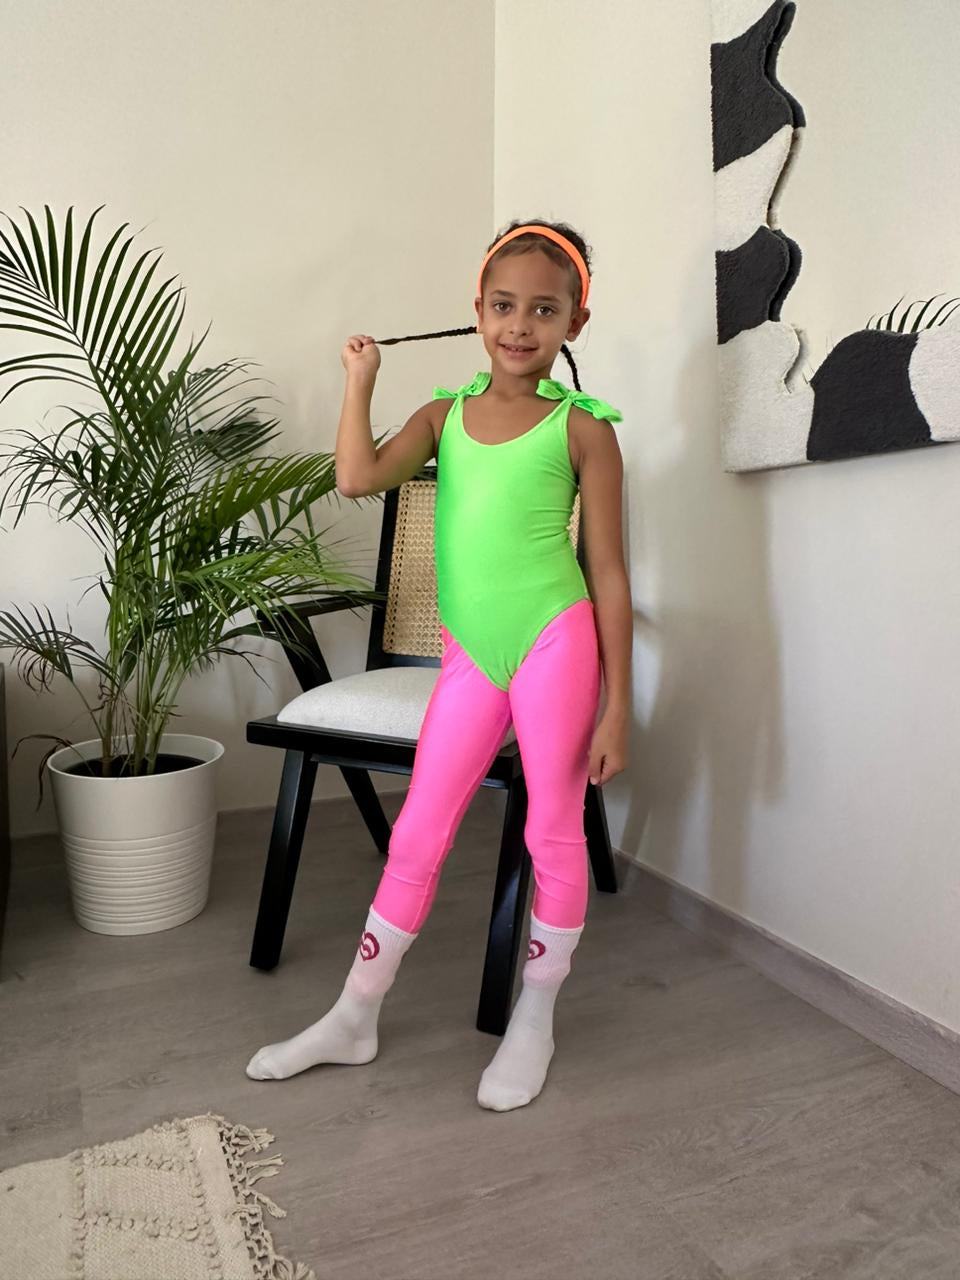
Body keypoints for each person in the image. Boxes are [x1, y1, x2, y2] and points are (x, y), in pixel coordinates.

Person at [246, 219, 632, 1111]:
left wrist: (617, 706)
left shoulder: (584, 430)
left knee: (552, 830)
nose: (520, 325)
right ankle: (354, 1015)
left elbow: (608, 571)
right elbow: (356, 477)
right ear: (477, 312)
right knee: (420, 827)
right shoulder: (441, 417)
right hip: (470, 657)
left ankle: (536, 1016)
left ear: (576, 321)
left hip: (554, 641)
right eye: (504, 305)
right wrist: (360, 382)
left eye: (545, 309)